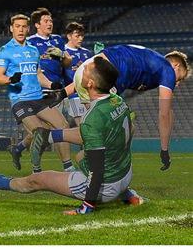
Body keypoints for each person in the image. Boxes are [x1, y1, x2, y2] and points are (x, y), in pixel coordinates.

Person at [0, 57, 142, 215]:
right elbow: (118, 131)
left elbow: (97, 170)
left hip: (107, 185)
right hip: (125, 175)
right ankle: (127, 194)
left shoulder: (92, 117)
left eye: (85, 69)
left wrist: (86, 206)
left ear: (89, 83)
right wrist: (51, 136)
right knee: (81, 155)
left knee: (38, 180)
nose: (81, 69)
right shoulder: (116, 100)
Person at [46, 45, 190, 171]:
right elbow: (164, 113)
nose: (177, 83)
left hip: (92, 70)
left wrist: (64, 93)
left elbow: (97, 65)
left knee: (112, 128)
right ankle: (92, 170)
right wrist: (164, 150)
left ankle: (51, 138)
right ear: (176, 66)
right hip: (106, 74)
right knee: (116, 131)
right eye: (180, 78)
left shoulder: (151, 63)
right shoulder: (167, 70)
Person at [0, 14, 72, 173]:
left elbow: (38, 75)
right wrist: (10, 79)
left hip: (38, 98)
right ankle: (36, 170)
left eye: (24, 26)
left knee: (63, 125)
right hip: (20, 100)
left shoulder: (33, 50)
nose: (21, 30)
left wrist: (52, 84)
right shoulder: (5, 51)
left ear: (28, 29)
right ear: (11, 28)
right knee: (40, 132)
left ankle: (68, 168)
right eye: (17, 26)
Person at [63, 22, 93, 126]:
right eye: (77, 36)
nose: (80, 39)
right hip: (73, 95)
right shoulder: (63, 52)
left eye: (82, 36)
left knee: (92, 125)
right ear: (69, 36)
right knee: (83, 126)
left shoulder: (87, 53)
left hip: (89, 94)